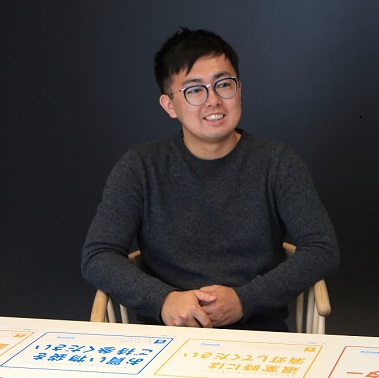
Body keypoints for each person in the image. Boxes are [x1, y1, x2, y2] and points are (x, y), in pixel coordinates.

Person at [82, 28, 340, 331]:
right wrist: (164, 300)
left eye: (224, 84)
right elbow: (98, 255)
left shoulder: (278, 162)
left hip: (258, 332)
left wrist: (245, 300)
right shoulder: (141, 166)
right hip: (164, 331)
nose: (213, 101)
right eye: (194, 90)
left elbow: (322, 248)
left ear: (239, 89)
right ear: (169, 105)